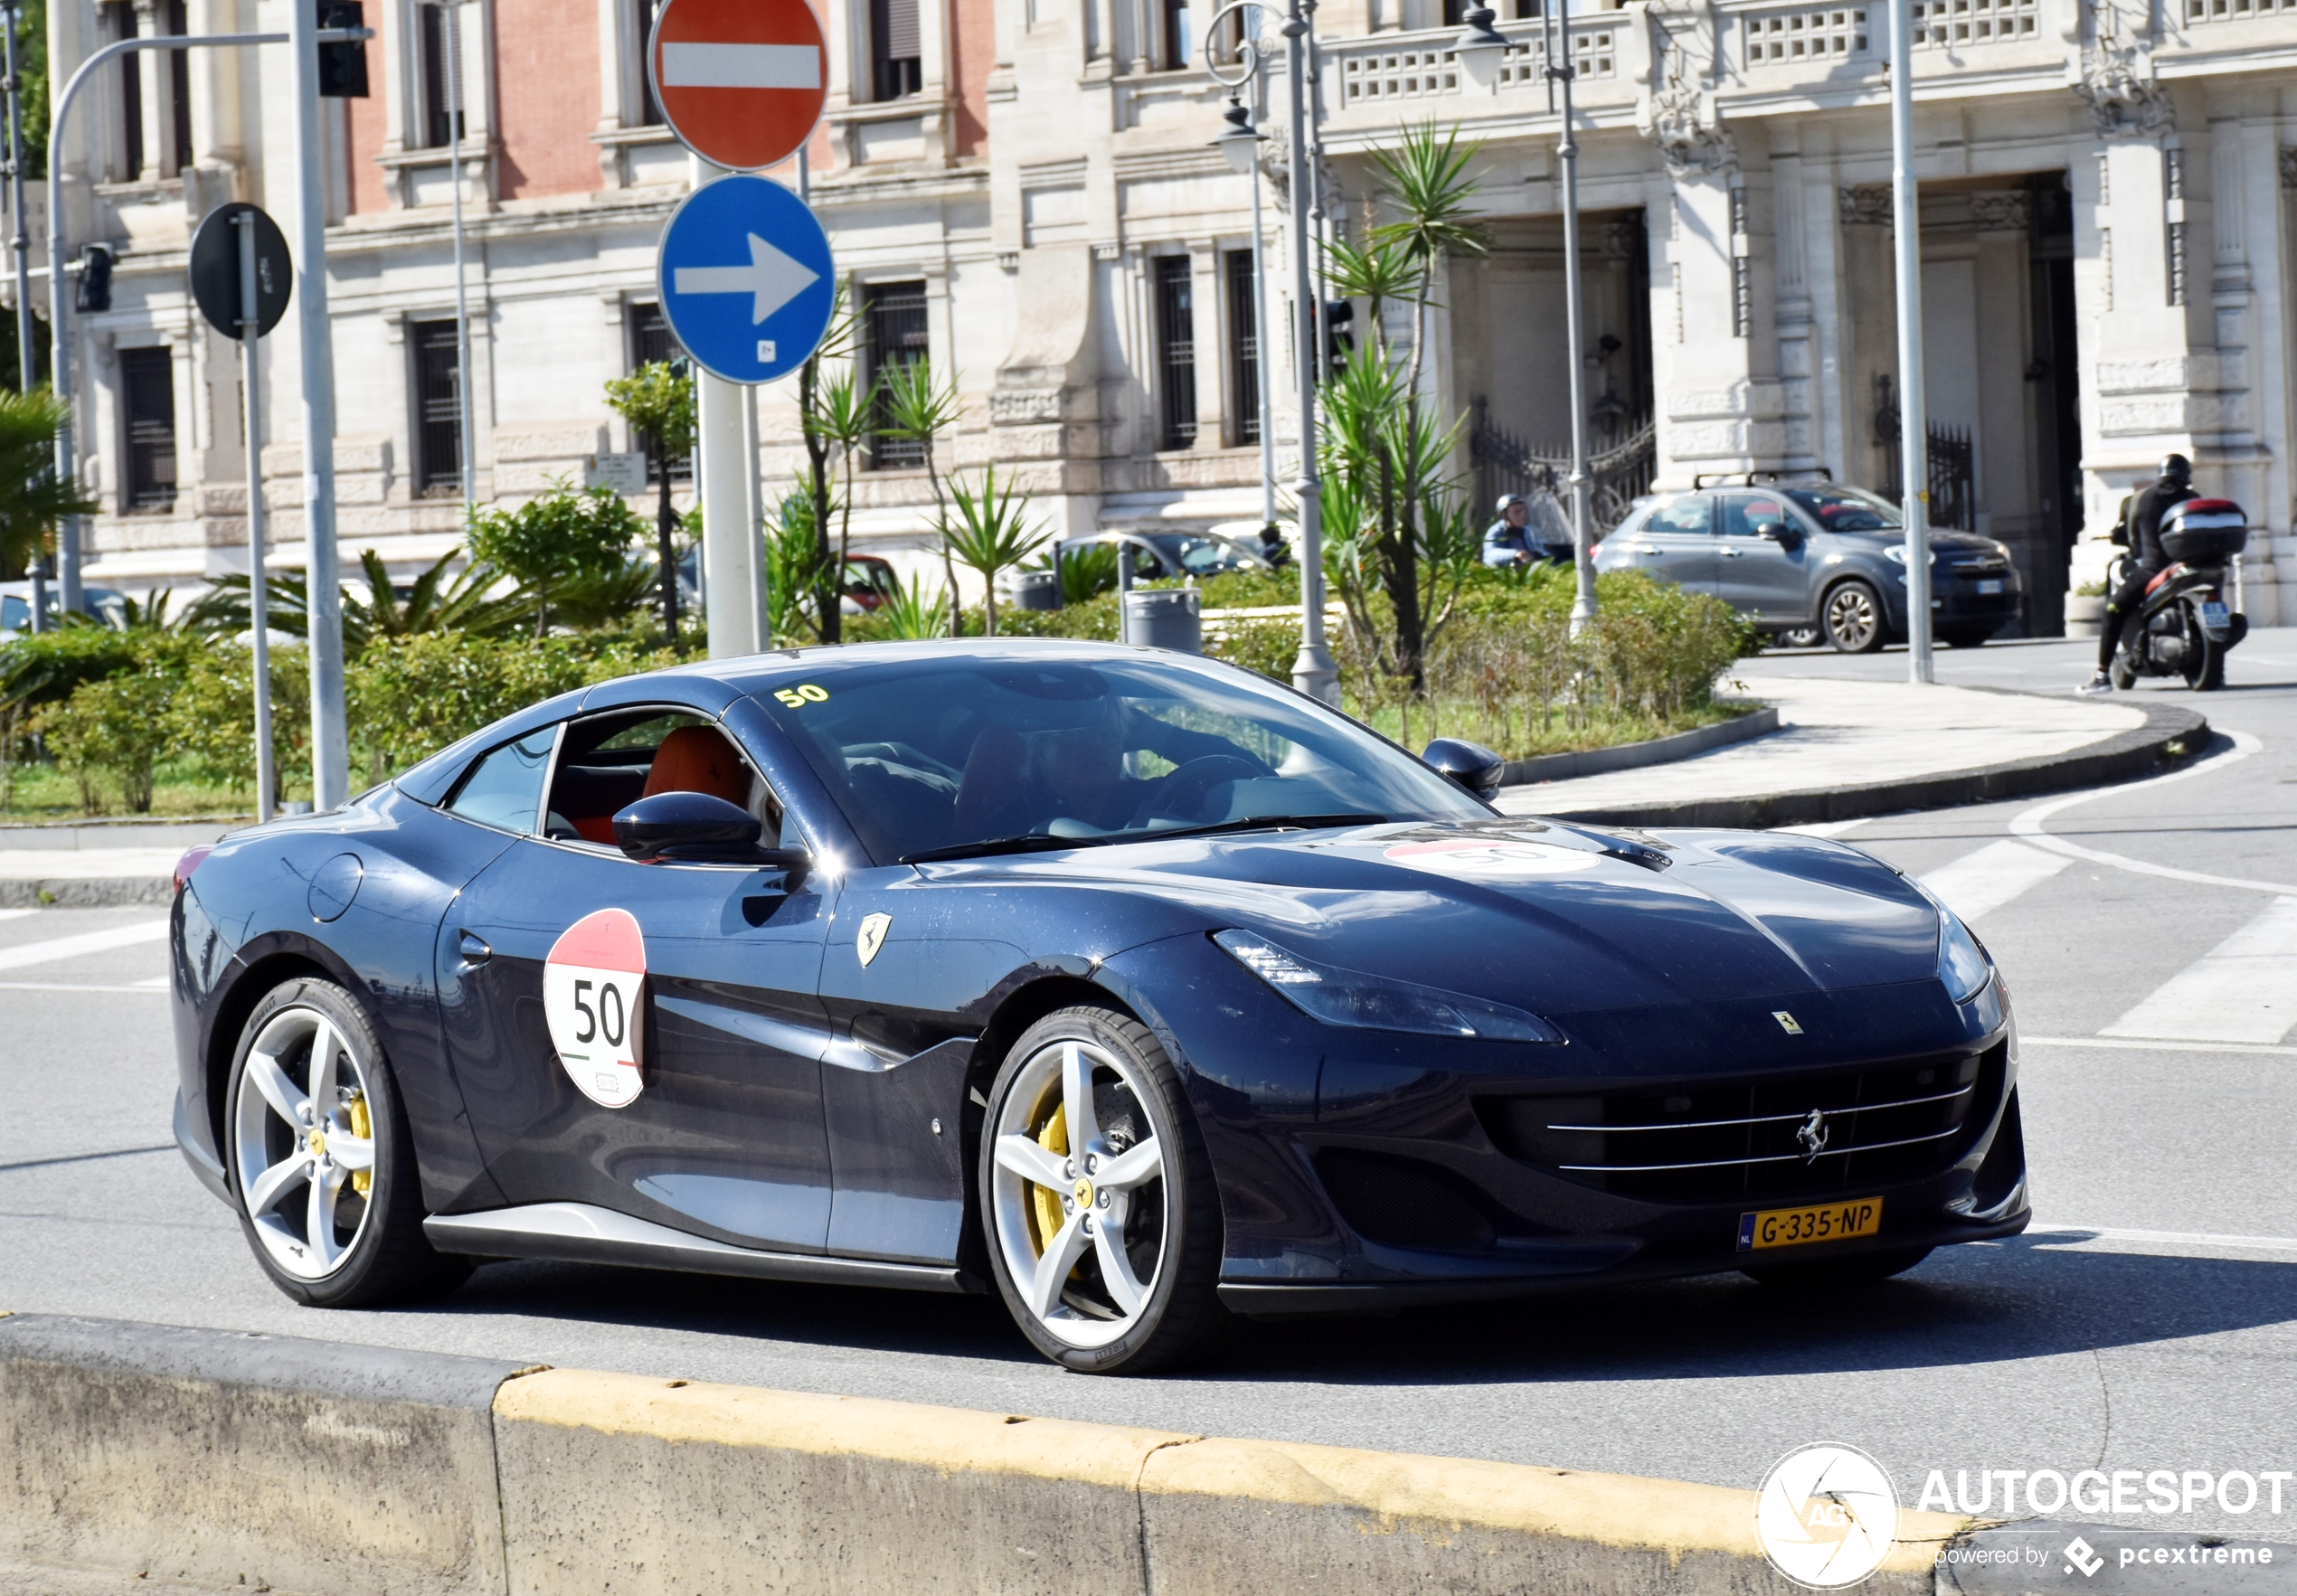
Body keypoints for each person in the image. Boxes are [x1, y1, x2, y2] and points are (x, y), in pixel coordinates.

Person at [2081, 453, 2196, 694]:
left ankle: (2102, 674)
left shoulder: (2143, 500)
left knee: (2112, 610)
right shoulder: (2193, 500)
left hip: (2154, 569)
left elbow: (2133, 538)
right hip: (2191, 565)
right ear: (2187, 476)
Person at [1483, 495, 1536, 568]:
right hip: (1503, 576)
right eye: (1517, 512)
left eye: (1523, 511)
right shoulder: (1496, 531)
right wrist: (1515, 554)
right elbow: (1490, 554)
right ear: (1505, 515)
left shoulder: (1528, 531)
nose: (1522, 515)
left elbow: (1540, 549)